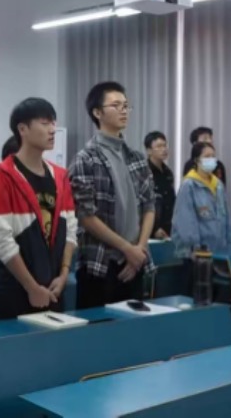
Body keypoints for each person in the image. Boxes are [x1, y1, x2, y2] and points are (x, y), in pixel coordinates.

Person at [0, 98, 77, 319]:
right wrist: (31, 287)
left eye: (53, 123)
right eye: (44, 123)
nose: (52, 130)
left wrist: (64, 274)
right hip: (13, 291)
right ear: (22, 129)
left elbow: (70, 229)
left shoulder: (60, 177)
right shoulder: (0, 178)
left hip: (53, 288)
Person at [69, 82, 156, 309]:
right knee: (98, 326)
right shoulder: (85, 159)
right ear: (97, 113)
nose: (123, 111)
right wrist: (127, 249)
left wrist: (139, 250)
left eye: (126, 106)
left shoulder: (137, 158)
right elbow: (85, 216)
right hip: (100, 263)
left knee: (134, 325)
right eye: (116, 105)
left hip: (135, 261)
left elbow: (149, 206)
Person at [171, 142, 231, 257]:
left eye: (213, 156)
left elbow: (227, 217)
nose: (211, 159)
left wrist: (229, 242)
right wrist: (196, 247)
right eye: (207, 156)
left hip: (220, 250)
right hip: (197, 253)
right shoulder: (189, 185)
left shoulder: (218, 185)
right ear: (197, 160)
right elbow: (185, 221)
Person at [144, 131, 175, 239]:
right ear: (149, 151)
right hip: (151, 230)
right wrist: (154, 229)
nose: (164, 149)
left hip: (168, 227)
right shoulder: (144, 172)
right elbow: (142, 204)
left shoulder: (168, 173)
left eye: (165, 145)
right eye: (159, 146)